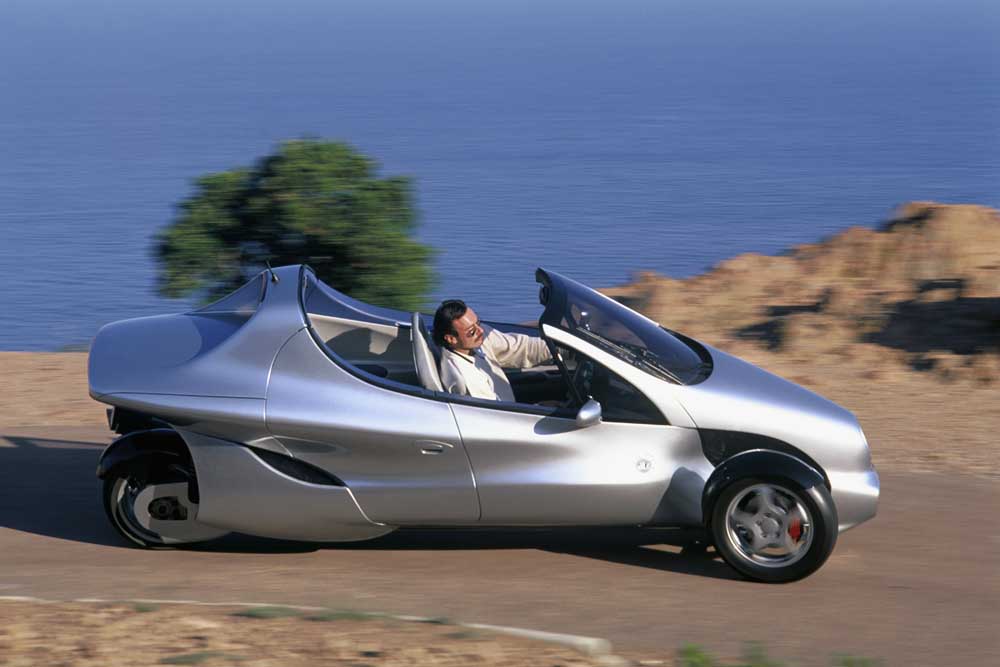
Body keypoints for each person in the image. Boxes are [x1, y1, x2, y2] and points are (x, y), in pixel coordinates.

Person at [433, 299, 552, 402]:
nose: (480, 331)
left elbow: (519, 348)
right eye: (471, 331)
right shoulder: (465, 379)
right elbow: (496, 413)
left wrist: (556, 348)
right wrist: (540, 407)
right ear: (451, 339)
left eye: (478, 323)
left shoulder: (476, 338)